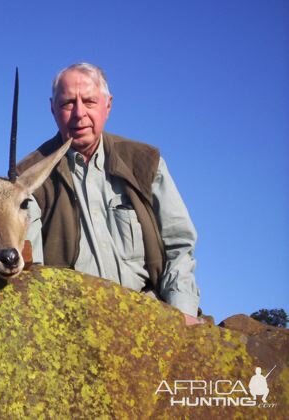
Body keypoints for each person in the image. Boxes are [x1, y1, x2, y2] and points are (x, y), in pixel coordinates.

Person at [18, 63, 202, 325]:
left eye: (89, 101)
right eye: (68, 103)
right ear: (52, 109)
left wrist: (182, 313)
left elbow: (179, 245)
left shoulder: (145, 162)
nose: (79, 113)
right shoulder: (29, 176)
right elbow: (30, 269)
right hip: (74, 323)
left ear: (108, 105)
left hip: (151, 315)